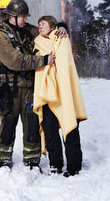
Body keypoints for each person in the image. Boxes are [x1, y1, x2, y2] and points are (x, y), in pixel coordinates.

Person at [0, 0, 67, 170]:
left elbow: (46, 31)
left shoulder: (26, 30)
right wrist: (43, 60)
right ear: (13, 16)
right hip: (11, 90)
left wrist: (61, 26)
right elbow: (15, 61)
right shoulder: (1, 36)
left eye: (26, 17)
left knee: (32, 126)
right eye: (23, 16)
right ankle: (3, 160)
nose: (26, 19)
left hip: (30, 88)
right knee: (7, 126)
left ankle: (32, 161)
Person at [33, 15, 88, 177]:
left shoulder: (62, 39)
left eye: (43, 24)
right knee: (50, 131)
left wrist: (62, 26)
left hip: (63, 91)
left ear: (52, 26)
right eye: (38, 24)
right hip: (47, 93)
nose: (40, 26)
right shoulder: (37, 42)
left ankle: (74, 166)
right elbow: (40, 64)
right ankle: (55, 164)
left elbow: (64, 64)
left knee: (70, 128)